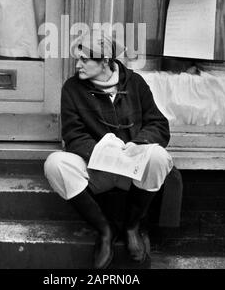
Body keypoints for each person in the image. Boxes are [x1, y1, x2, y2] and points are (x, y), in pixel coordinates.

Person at [44, 29, 174, 269]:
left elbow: (158, 124)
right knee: (55, 164)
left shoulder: (134, 83)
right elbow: (73, 135)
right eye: (77, 58)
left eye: (85, 59)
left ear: (104, 62)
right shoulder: (72, 88)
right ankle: (104, 230)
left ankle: (132, 226)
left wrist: (138, 143)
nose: (78, 64)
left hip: (131, 170)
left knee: (159, 157)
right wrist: (101, 154)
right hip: (97, 168)